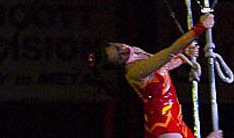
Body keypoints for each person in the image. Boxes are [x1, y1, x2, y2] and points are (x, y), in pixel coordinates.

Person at [88, 12, 222, 138]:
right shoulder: (135, 70)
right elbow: (170, 52)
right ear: (118, 65)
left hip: (173, 117)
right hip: (162, 123)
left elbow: (164, 67)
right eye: (119, 57)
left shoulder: (136, 53)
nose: (123, 50)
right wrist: (200, 27)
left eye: (117, 47)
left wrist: (184, 56)